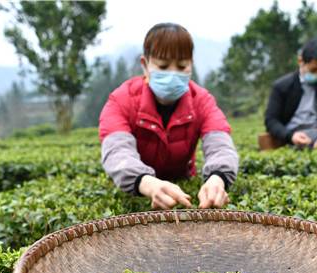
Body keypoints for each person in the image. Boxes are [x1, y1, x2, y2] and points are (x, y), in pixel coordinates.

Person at [99, 23, 238, 210]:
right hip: (137, 189)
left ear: (191, 66)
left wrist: (217, 178)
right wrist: (147, 183)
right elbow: (117, 152)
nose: (173, 74)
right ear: (145, 65)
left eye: (182, 66)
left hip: (183, 181)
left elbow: (220, 145)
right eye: (163, 66)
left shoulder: (202, 101)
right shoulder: (121, 100)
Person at [263, 37, 317, 149]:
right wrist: (291, 136)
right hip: (287, 145)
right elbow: (271, 120)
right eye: (313, 70)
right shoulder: (282, 86)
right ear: (301, 61)